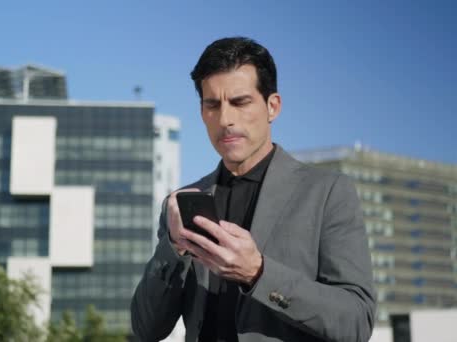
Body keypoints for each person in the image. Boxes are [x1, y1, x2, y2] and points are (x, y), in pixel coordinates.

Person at [131, 37, 376, 342]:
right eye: (212, 105)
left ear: (272, 106)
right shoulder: (181, 203)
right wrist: (173, 248)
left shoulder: (327, 193)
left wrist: (258, 273)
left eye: (240, 102)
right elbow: (145, 329)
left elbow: (356, 322)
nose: (225, 119)